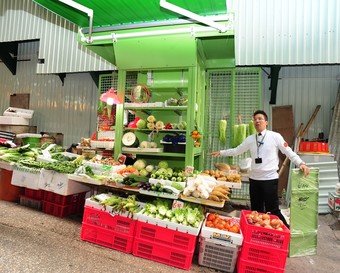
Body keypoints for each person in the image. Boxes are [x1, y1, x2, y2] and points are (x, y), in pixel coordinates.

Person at [211, 110, 310, 228]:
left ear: (266, 122)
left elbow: (288, 151)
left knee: (273, 210)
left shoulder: (275, 136)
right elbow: (237, 150)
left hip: (270, 180)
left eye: (260, 119)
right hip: (254, 180)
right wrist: (221, 152)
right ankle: (258, 234)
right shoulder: (250, 139)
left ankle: (287, 232)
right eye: (255, 119)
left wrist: (301, 163)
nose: (257, 121)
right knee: (256, 212)